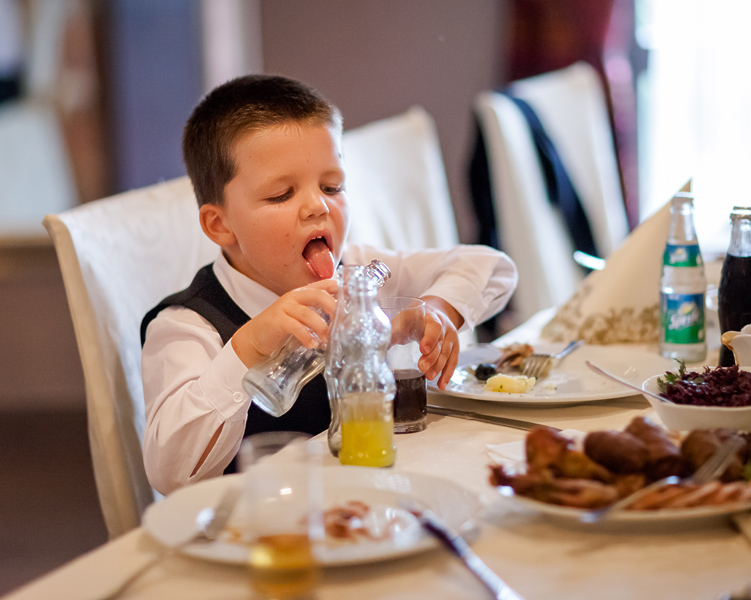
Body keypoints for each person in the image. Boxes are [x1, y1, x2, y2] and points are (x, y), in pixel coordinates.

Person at [140, 75, 517, 495]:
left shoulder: (358, 274)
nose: (318, 206)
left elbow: (492, 267)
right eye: (281, 194)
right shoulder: (187, 327)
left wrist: (438, 310)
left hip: (374, 497)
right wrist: (246, 349)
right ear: (220, 224)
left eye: (332, 186)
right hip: (271, 522)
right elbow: (170, 473)